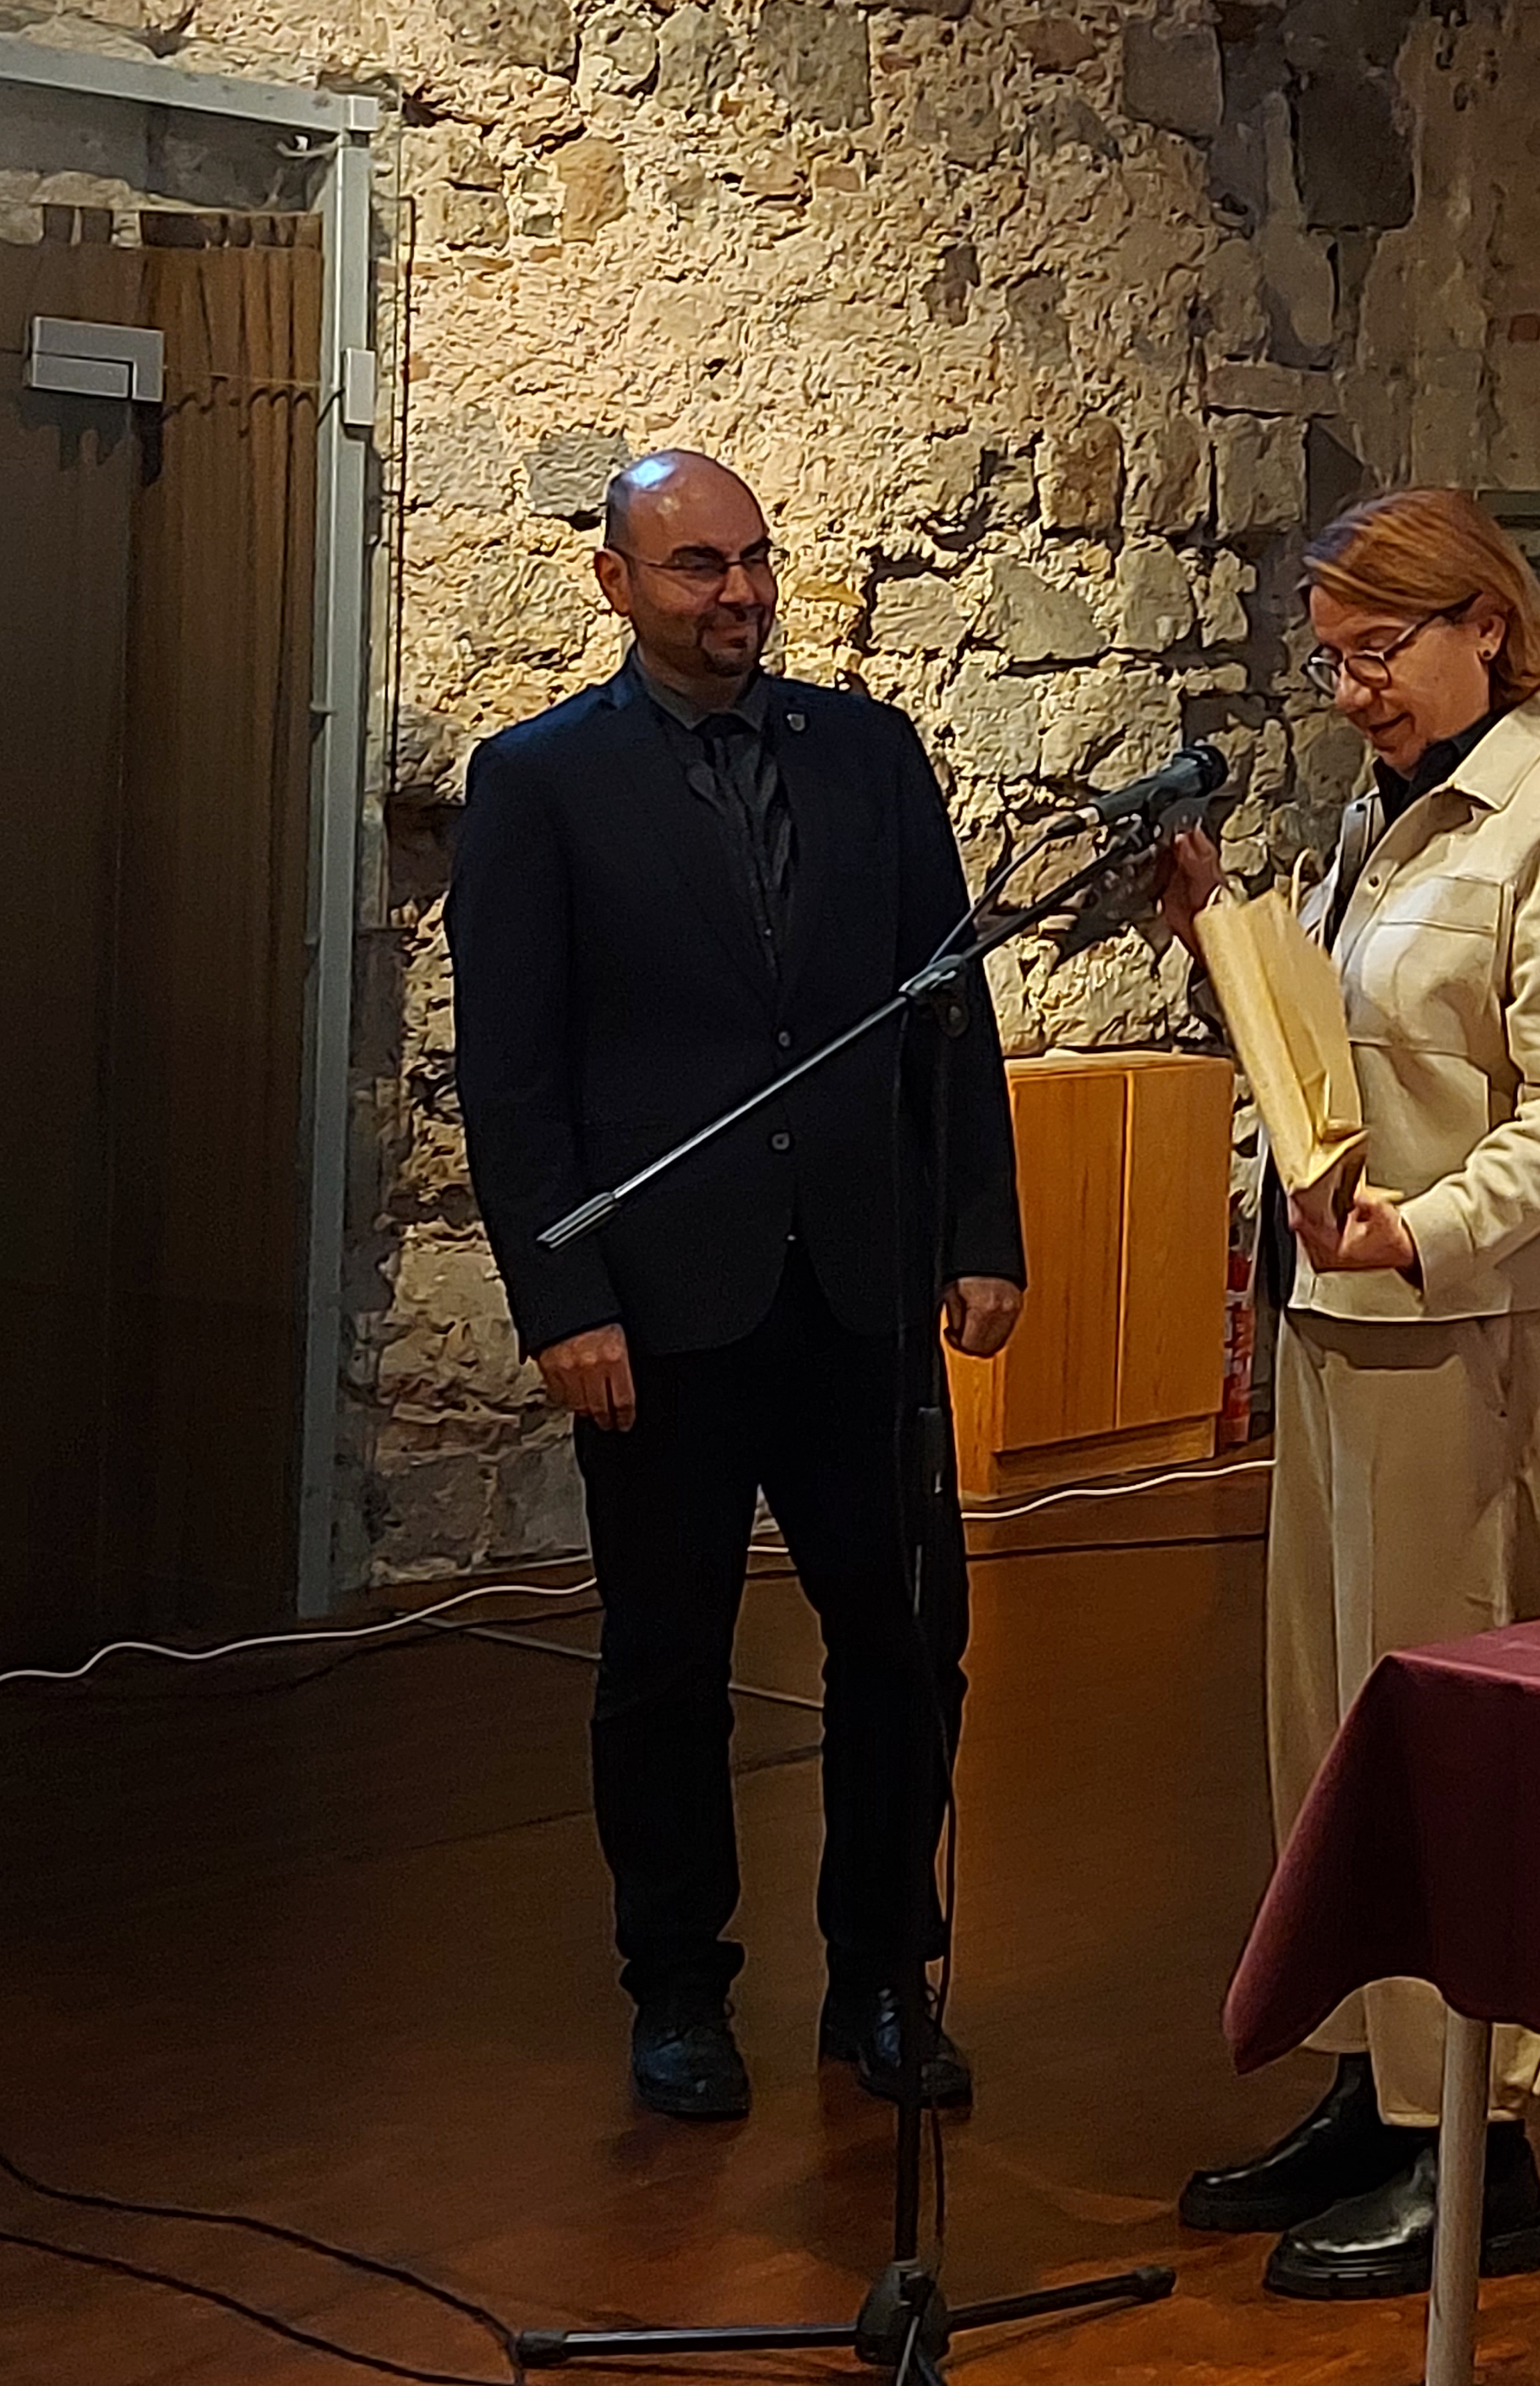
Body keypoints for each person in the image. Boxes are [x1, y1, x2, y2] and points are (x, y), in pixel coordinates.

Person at [447, 449, 1025, 2123]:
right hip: (661, 1304)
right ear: (618, 583)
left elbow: (947, 1006)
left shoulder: (867, 755)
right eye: (700, 565)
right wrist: (563, 1298)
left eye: (756, 558)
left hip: (856, 1286)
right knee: (665, 1662)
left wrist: (980, 1226)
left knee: (906, 1643)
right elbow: (513, 1074)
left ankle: (882, 1976)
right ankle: (679, 1989)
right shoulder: (541, 783)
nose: (741, 592)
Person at [1166, 487, 1540, 2300]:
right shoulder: (1380, 817)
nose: (1351, 692)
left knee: (1456, 1746)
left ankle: (1481, 2148)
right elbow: (1351, 1049)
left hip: (1474, 1327)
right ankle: (1372, 2088)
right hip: (1342, 1310)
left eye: (1376, 652)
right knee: (1334, 1732)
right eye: (1329, 662)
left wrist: (1422, 1232)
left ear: (1487, 623)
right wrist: (1215, 942)